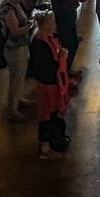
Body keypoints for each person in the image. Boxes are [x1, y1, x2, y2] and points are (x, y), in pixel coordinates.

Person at [28, 11, 70, 160]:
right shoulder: (40, 44)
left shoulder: (46, 39)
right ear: (45, 25)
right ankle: (45, 149)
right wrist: (62, 58)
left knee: (50, 115)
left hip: (49, 84)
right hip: (47, 86)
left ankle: (48, 145)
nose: (55, 25)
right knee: (47, 117)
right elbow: (47, 68)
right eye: (52, 23)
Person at [0, 0, 35, 122]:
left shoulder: (16, 4)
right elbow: (14, 31)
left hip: (21, 45)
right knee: (15, 77)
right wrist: (30, 26)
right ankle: (12, 109)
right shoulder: (8, 8)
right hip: (13, 48)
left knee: (21, 74)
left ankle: (18, 98)